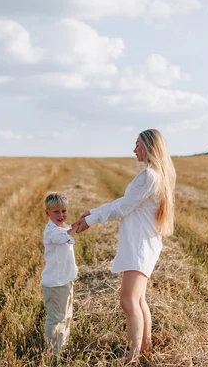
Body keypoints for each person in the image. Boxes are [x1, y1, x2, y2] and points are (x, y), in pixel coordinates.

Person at [74, 129, 176, 362]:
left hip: (140, 246)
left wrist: (90, 221)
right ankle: (144, 350)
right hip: (142, 243)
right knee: (138, 300)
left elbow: (123, 207)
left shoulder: (149, 176)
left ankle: (132, 358)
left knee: (128, 301)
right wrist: (95, 212)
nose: (134, 150)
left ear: (150, 147)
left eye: (138, 145)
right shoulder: (154, 175)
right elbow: (125, 203)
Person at [41, 192, 80, 354]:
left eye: (64, 211)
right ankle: (52, 352)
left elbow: (68, 230)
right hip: (55, 284)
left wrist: (82, 223)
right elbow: (61, 237)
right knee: (56, 319)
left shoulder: (63, 228)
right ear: (47, 213)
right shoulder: (52, 232)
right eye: (56, 211)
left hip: (66, 281)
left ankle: (62, 345)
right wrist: (76, 228)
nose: (61, 215)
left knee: (67, 315)